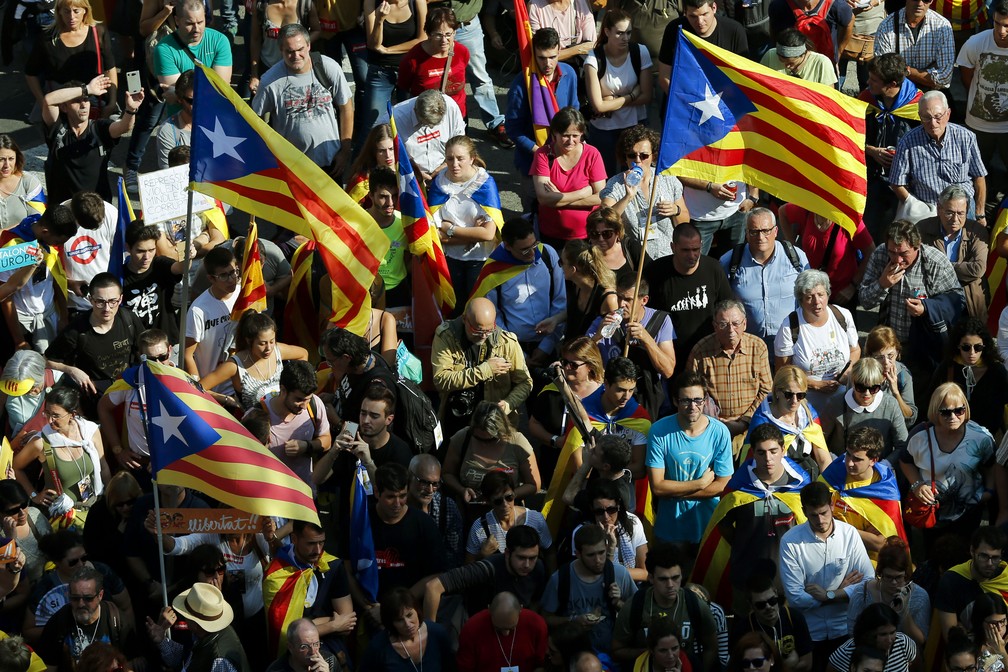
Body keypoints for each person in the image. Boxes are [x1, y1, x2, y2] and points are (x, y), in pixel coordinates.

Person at [695, 423, 812, 609]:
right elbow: (723, 525)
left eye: (773, 451)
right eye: (761, 452)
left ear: (783, 450)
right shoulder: (737, 487)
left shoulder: (800, 485)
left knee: (789, 625)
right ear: (753, 453)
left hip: (789, 578)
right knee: (745, 625)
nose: (768, 458)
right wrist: (744, 544)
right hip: (745, 579)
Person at [779, 481, 875, 669]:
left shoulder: (849, 534)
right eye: (814, 515)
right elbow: (795, 597)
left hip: (846, 629)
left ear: (832, 506)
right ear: (804, 511)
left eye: (823, 513)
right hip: (809, 633)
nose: (820, 520)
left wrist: (830, 595)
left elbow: (868, 581)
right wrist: (838, 594)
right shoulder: (790, 541)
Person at [858, 219, 965, 367]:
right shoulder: (880, 255)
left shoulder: (935, 262)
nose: (897, 260)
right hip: (888, 346)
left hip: (923, 345)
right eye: (892, 252)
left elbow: (958, 301)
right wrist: (882, 284)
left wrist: (926, 307)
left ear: (917, 246)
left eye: (904, 253)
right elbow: (864, 300)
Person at [252, 24, 354, 176]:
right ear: (281, 50)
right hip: (292, 169)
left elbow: (346, 108)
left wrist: (345, 151)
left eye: (300, 49)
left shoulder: (329, 67)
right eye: (290, 51)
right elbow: (254, 120)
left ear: (309, 46)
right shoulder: (270, 81)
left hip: (330, 162)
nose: (296, 56)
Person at [646, 372, 733, 547]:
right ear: (675, 401)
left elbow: (723, 485)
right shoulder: (658, 431)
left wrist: (674, 491)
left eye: (697, 400)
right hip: (669, 532)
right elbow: (658, 487)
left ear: (705, 400)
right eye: (686, 400)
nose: (693, 406)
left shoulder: (720, 432)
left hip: (708, 529)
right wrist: (700, 484)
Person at [901, 382, 995, 542]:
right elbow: (905, 461)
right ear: (935, 411)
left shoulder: (981, 437)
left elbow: (991, 466)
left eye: (959, 411)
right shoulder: (920, 436)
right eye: (945, 412)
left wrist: (989, 492)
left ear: (965, 409)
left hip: (969, 511)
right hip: (932, 512)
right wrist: (917, 485)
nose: (952, 417)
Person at [644, 223, 734, 378]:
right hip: (672, 357)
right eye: (685, 250)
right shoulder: (655, 272)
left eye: (696, 249)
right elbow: (646, 311)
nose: (692, 255)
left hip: (708, 355)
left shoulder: (713, 268)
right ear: (673, 247)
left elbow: (728, 308)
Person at [611, 543, 719, 671]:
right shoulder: (635, 606)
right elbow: (617, 651)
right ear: (651, 578)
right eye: (663, 579)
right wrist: (652, 653)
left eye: (675, 578)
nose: (670, 585)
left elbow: (711, 647)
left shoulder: (695, 604)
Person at [431, 297, 533, 432]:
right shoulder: (447, 337)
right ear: (464, 319)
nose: (484, 336)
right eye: (477, 331)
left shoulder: (507, 342)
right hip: (456, 421)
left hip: (496, 425)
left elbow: (525, 383)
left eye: (489, 330)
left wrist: (507, 404)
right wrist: (485, 370)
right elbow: (440, 380)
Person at [13, 385, 109, 528]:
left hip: (93, 506)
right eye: (47, 413)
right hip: (62, 516)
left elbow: (103, 466)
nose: (50, 420)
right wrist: (34, 496)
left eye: (56, 415)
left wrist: (109, 499)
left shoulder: (90, 431)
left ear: (72, 414)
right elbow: (16, 467)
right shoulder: (41, 442)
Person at [477, 217, 567, 365]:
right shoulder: (494, 270)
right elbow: (494, 317)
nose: (532, 253)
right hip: (512, 349)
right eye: (525, 250)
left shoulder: (547, 254)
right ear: (508, 246)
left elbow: (560, 300)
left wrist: (546, 346)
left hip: (549, 345)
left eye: (534, 245)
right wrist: (517, 353)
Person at [42, 76, 143, 205]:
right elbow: (48, 100)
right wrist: (87, 89)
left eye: (86, 99)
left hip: (96, 209)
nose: (83, 104)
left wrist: (131, 110)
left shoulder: (99, 128)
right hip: (64, 210)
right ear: (64, 107)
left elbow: (124, 127)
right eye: (76, 101)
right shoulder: (57, 129)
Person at [262, 520, 356, 657]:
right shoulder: (276, 574)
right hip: (293, 657)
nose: (318, 550)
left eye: (321, 542)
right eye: (311, 543)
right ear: (294, 539)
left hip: (329, 650)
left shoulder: (333, 566)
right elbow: (287, 633)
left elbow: (348, 623)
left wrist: (306, 625)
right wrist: (333, 625)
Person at [45, 273, 142, 405]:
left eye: (112, 301)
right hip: (95, 397)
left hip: (129, 390)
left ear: (120, 299)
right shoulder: (76, 330)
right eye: (100, 302)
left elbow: (143, 348)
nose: (107, 308)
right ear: (91, 300)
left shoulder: (128, 319)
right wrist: (72, 370)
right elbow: (46, 361)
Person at [505, 27, 580, 198]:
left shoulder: (569, 74)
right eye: (542, 58)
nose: (548, 64)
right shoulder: (521, 85)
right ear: (534, 54)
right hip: (532, 162)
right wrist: (540, 152)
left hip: (565, 157)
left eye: (552, 57)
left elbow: (575, 111)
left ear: (559, 51)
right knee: (533, 206)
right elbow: (513, 129)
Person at [541, 524, 637, 656]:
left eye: (601, 552)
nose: (598, 560)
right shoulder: (560, 579)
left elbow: (638, 614)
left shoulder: (619, 574)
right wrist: (572, 621)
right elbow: (545, 619)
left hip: (611, 656)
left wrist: (618, 603)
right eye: (591, 555)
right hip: (573, 656)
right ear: (578, 554)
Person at [720, 207, 810, 348]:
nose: (760, 237)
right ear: (746, 233)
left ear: (775, 231)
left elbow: (809, 296)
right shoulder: (729, 261)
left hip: (790, 341)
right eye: (754, 232)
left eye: (766, 231)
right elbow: (721, 304)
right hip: (748, 345)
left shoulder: (796, 257)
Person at [686, 299, 772, 444]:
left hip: (752, 428)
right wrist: (715, 421)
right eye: (723, 324)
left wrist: (744, 421)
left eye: (736, 323)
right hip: (711, 430)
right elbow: (690, 393)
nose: (730, 330)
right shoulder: (701, 351)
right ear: (715, 326)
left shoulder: (758, 348)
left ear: (745, 324)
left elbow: (766, 390)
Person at [889, 91, 987, 220]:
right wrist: (917, 207)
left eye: (938, 116)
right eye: (926, 117)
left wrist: (980, 214)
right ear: (919, 116)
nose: (933, 123)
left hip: (963, 207)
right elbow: (897, 183)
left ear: (948, 114)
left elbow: (979, 176)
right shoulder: (908, 142)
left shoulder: (966, 137)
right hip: (928, 208)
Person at [589, 274, 676, 418]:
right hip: (611, 403)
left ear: (644, 300)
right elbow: (581, 358)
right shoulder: (603, 322)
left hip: (647, 401)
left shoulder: (660, 321)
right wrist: (598, 336)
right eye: (619, 297)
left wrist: (647, 339)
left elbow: (668, 370)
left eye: (628, 299)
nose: (621, 304)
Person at [429, 135, 502, 302]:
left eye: (460, 158)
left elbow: (488, 234)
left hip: (480, 260)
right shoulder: (439, 185)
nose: (454, 164)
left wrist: (450, 229)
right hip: (449, 259)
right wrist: (472, 236)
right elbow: (434, 235)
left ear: (472, 158)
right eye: (450, 159)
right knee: (454, 306)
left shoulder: (485, 184)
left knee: (476, 305)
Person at [423, 525, 548, 622]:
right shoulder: (486, 569)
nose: (527, 565)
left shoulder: (538, 568)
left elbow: (535, 602)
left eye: (532, 558)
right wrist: (431, 633)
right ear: (507, 553)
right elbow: (433, 587)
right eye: (521, 558)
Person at [599, 125, 689, 261]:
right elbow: (605, 220)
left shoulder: (667, 179)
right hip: (636, 260)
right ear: (625, 157)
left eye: (644, 156)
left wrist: (676, 210)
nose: (638, 160)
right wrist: (627, 197)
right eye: (632, 155)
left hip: (668, 256)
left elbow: (684, 223)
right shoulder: (616, 183)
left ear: (653, 156)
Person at [775, 269, 860, 410]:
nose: (817, 302)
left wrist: (848, 372)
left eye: (821, 295)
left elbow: (855, 350)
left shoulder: (842, 315)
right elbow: (782, 372)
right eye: (809, 297)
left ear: (828, 294)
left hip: (843, 400)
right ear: (800, 301)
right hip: (806, 403)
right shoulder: (789, 327)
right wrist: (815, 385)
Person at [859, 53, 921, 241]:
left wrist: (902, 159)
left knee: (898, 234)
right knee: (867, 230)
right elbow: (852, 134)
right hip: (872, 178)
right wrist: (871, 150)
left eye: (874, 80)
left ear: (892, 84)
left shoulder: (919, 105)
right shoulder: (866, 98)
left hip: (905, 183)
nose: (868, 83)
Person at [582, 10, 653, 174]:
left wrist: (611, 100)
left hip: (634, 125)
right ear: (607, 32)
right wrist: (632, 95)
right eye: (620, 33)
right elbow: (598, 106)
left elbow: (647, 96)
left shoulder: (640, 52)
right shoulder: (594, 59)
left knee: (634, 174)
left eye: (628, 33)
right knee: (603, 175)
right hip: (603, 129)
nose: (625, 38)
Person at [820, 428, 905, 563]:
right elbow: (815, 514)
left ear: (873, 460)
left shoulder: (886, 493)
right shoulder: (833, 474)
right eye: (848, 454)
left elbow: (880, 543)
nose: (849, 463)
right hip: (830, 553)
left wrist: (834, 526)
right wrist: (863, 534)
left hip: (872, 562)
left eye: (857, 459)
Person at [24, 0, 117, 119]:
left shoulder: (98, 32)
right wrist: (44, 104)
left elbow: (110, 69)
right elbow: (30, 74)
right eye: (67, 11)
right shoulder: (47, 38)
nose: (72, 17)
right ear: (59, 12)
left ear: (85, 10)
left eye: (76, 11)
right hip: (60, 104)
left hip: (94, 103)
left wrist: (112, 103)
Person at [199, 311, 309, 410]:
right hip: (254, 424)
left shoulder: (278, 350)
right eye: (262, 343)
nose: (269, 348)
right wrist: (227, 399)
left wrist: (297, 382)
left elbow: (303, 354)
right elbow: (199, 387)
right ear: (249, 341)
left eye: (272, 341)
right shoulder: (235, 365)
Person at [532, 107, 607, 249]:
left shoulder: (592, 154)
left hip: (587, 234)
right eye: (565, 135)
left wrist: (558, 200)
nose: (571, 141)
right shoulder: (543, 155)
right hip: (551, 234)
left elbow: (601, 197)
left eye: (575, 136)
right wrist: (582, 193)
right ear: (554, 134)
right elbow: (543, 198)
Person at [527, 337, 604, 474]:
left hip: (596, 469)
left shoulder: (605, 395)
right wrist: (555, 440)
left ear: (590, 365)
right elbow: (534, 424)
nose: (567, 368)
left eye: (573, 365)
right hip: (555, 464)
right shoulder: (551, 391)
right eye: (564, 362)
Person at [37, 567, 138, 672]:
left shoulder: (116, 620)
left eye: (88, 598)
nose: (81, 604)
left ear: (100, 595)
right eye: (75, 598)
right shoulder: (58, 622)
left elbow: (130, 664)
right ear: (68, 595)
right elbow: (48, 668)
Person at [442, 401, 541, 504]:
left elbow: (534, 485)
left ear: (503, 431)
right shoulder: (462, 438)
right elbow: (447, 473)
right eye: (478, 438)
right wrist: (461, 490)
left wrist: (505, 496)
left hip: (507, 509)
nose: (484, 444)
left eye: (491, 440)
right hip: (469, 509)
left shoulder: (517, 442)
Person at [777, 202, 874, 308]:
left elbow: (871, 252)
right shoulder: (807, 209)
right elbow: (782, 212)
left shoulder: (848, 218)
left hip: (840, 297)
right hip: (811, 292)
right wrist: (791, 246)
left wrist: (853, 286)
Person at [918, 186, 991, 322]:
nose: (955, 219)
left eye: (960, 213)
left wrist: (940, 266)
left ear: (967, 211)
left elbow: (978, 268)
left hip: (969, 297)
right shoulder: (922, 229)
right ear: (939, 209)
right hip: (933, 295)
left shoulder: (977, 232)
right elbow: (918, 264)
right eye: (949, 213)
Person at [926, 317, 1008, 436]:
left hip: (988, 437)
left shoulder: (996, 371)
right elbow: (931, 403)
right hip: (953, 437)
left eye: (978, 347)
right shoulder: (947, 368)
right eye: (966, 347)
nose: (972, 353)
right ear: (957, 346)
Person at [747, 365, 830, 479]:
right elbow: (753, 465)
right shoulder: (762, 422)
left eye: (800, 395)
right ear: (777, 391)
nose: (794, 400)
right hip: (780, 484)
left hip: (811, 480)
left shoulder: (808, 413)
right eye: (788, 395)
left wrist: (827, 485)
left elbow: (824, 459)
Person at [957, 1, 1008, 187]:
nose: (1001, 31)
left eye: (1007, 26)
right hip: (978, 125)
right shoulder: (975, 43)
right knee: (975, 175)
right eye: (997, 23)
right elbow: (967, 78)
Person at [147, 582, 251, 672]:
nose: (184, 617)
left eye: (186, 614)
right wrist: (162, 641)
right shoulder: (205, 635)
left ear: (196, 624)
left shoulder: (219, 660)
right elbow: (185, 658)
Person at [360, 0, 428, 138]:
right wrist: (379, 20)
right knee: (373, 127)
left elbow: (422, 39)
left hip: (410, 72)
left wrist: (388, 50)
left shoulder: (416, 2)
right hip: (381, 72)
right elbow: (373, 44)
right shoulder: (371, 3)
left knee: (412, 124)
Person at [846, 537, 930, 647]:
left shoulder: (919, 596)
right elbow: (852, 633)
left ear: (906, 574)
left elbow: (920, 641)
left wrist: (905, 612)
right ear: (880, 574)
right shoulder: (862, 592)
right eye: (888, 577)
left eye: (899, 577)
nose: (894, 582)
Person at [263, 360, 333, 492]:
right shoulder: (259, 414)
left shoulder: (315, 405)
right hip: (270, 495)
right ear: (283, 390)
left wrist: (307, 446)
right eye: (299, 399)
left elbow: (327, 441)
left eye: (308, 399)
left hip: (304, 493)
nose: (304, 406)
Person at [824, 358, 908, 461]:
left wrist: (884, 465)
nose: (866, 394)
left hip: (880, 466)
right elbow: (820, 442)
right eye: (861, 387)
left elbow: (902, 444)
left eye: (873, 388)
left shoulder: (890, 404)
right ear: (853, 382)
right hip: (842, 464)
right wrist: (836, 461)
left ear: (881, 382)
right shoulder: (836, 403)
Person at [658, 0, 750, 94]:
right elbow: (665, 76)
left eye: (704, 14)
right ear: (685, 12)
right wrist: (684, 101)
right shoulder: (674, 30)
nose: (700, 22)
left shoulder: (734, 31)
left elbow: (744, 78)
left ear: (714, 8)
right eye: (693, 16)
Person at [934, 527, 1008, 639]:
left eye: (995, 557)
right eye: (984, 556)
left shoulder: (1005, 577)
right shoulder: (952, 580)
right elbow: (951, 638)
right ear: (972, 551)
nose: (990, 563)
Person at [731, 573, 814, 672]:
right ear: (751, 605)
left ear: (776, 593)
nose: (768, 607)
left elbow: (807, 663)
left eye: (772, 600)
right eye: (761, 605)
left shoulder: (794, 617)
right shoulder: (743, 629)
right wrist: (787, 665)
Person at [358, 586, 454, 671]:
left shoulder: (437, 633)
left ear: (417, 610)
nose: (407, 624)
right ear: (391, 623)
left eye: (409, 615)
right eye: (399, 620)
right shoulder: (378, 647)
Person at [570, 479, 648, 581]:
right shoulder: (582, 532)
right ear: (592, 509)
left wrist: (611, 572)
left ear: (618, 505)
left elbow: (645, 573)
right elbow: (588, 576)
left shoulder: (633, 522)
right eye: (599, 511)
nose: (606, 517)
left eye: (611, 510)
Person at [466, 470, 552, 562]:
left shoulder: (535, 519)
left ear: (514, 494)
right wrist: (482, 555)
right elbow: (468, 565)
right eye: (498, 501)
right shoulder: (479, 527)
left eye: (509, 497)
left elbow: (550, 553)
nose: (505, 504)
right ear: (488, 501)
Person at [396, 8, 469, 115]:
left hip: (457, 115)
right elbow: (403, 88)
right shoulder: (413, 59)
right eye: (438, 35)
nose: (444, 40)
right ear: (429, 34)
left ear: (454, 32)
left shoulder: (462, 52)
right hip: (427, 118)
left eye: (448, 34)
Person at [121, 223, 184, 340]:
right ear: (128, 248)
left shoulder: (159, 265)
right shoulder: (119, 277)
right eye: (140, 251)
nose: (147, 256)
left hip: (167, 341)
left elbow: (180, 268)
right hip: (136, 344)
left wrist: (187, 253)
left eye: (151, 250)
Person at [184, 247, 239, 383]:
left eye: (233, 272)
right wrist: (198, 388)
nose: (231, 279)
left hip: (240, 382)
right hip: (213, 386)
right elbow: (187, 354)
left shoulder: (244, 294)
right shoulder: (198, 310)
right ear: (211, 278)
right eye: (223, 276)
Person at [457, 592, 549, 672]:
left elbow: (541, 664)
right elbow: (465, 668)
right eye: (498, 628)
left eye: (512, 628)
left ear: (520, 609)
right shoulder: (472, 628)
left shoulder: (536, 625)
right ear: (489, 610)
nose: (506, 634)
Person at [873, 0, 954, 91]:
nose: (919, 4)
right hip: (897, 91)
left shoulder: (942, 26)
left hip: (931, 92)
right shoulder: (886, 26)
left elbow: (944, 78)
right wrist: (928, 74)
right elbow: (883, 71)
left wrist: (905, 71)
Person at [248, 0, 321, 93]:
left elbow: (316, 30)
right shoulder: (260, 5)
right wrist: (254, 75)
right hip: (268, 67)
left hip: (297, 69)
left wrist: (300, 44)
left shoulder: (305, 4)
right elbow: (255, 39)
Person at [407, 454, 465, 567]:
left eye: (435, 484)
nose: (430, 490)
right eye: (424, 482)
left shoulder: (447, 507)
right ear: (409, 476)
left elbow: (454, 557)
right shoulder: (396, 505)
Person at [827, 604, 916, 672]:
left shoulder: (903, 642)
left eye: (892, 632)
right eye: (883, 634)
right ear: (868, 632)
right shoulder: (846, 653)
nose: (889, 640)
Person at [1, 349, 65, 438]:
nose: (17, 391)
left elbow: (73, 424)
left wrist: (42, 435)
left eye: (25, 388)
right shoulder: (8, 386)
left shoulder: (61, 381)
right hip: (18, 443)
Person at [767, 0, 853, 64]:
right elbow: (774, 31)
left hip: (824, 65)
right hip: (789, 66)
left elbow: (849, 21)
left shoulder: (836, 5)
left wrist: (838, 53)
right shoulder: (779, 5)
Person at [863, 325, 917, 426]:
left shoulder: (903, 375)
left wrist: (895, 392)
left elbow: (910, 419)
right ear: (870, 356)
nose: (886, 362)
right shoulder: (861, 373)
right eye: (879, 357)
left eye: (890, 355)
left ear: (897, 352)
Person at [761, 28, 838, 85]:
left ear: (804, 54)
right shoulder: (770, 55)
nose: (787, 66)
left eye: (791, 63)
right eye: (781, 60)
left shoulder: (821, 63)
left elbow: (829, 95)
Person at [0, 135, 45, 231]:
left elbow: (38, 221)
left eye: (11, 159)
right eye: (1, 159)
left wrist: (4, 233)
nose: (7, 165)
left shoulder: (29, 182)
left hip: (24, 240)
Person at [527, 0, 596, 62]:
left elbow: (591, 46)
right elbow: (543, 54)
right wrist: (578, 49)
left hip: (580, 64)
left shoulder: (580, 2)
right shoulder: (534, 6)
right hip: (551, 67)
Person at [346, 124, 396, 208]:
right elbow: (349, 211)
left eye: (391, 149)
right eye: (381, 151)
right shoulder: (361, 181)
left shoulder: (406, 173)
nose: (388, 155)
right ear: (373, 151)